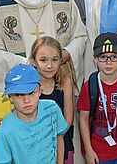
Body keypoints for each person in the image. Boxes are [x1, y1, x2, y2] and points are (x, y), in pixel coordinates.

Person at [77, 32, 117, 164]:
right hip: (98, 153)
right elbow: (83, 119)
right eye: (103, 57)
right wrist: (88, 150)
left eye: (114, 57)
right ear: (95, 59)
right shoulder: (90, 86)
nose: (108, 62)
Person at [0, 64, 69, 164]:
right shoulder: (5, 130)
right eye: (19, 95)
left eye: (31, 93)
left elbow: (59, 137)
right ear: (10, 98)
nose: (26, 100)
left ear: (40, 91)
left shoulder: (52, 108)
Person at [29, 36, 75, 164]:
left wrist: (56, 137)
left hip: (63, 142)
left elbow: (68, 118)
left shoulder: (65, 81)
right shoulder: (29, 85)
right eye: (43, 60)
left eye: (54, 60)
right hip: (36, 145)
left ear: (61, 60)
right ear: (33, 61)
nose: (49, 65)